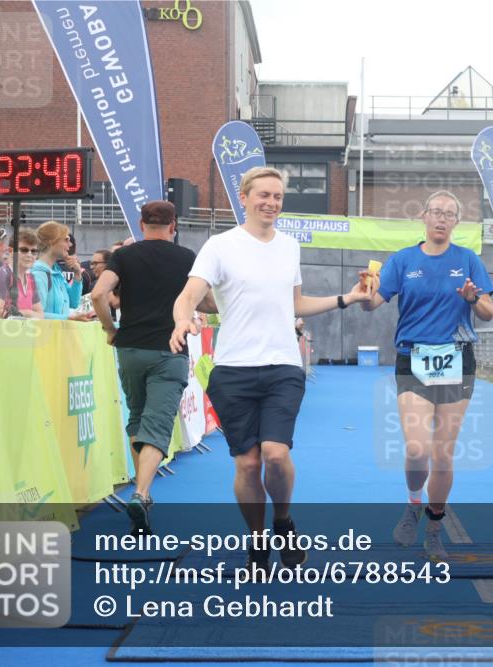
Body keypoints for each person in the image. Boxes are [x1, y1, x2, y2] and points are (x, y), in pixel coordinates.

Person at [170, 166, 371, 569]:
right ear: (244, 198)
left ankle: (282, 521)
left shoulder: (288, 247)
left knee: (276, 454)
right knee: (247, 463)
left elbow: (295, 305)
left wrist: (345, 298)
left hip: (282, 365)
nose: (272, 203)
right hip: (233, 369)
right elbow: (188, 295)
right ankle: (257, 540)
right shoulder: (219, 246)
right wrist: (181, 320)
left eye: (278, 197)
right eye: (263, 195)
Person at [361, 191, 493, 561]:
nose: (441, 219)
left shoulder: (468, 260)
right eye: (435, 212)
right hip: (413, 357)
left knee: (443, 454)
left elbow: (488, 311)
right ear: (423, 216)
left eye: (449, 214)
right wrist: (363, 292)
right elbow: (374, 302)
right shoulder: (403, 260)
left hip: (457, 358)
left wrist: (473, 298)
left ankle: (434, 527)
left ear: (456, 221)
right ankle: (413, 502)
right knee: (418, 449)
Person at [92, 201, 209, 535]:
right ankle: (141, 494)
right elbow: (209, 302)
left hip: (130, 347)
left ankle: (140, 490)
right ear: (174, 226)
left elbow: (99, 293)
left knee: (137, 416)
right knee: (157, 424)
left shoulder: (125, 256)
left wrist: (109, 329)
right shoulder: (188, 258)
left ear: (141, 224)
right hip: (170, 350)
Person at [32, 221, 95, 321]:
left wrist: (77, 275)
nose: (70, 244)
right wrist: (68, 318)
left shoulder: (55, 271)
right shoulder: (39, 274)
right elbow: (35, 315)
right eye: (66, 239)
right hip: (46, 335)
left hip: (56, 334)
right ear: (52, 242)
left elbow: (73, 303)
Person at [0, 228, 44, 319]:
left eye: (34, 251)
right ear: (11, 251)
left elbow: (40, 315)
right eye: (24, 250)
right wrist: (28, 314)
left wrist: (23, 313)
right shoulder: (2, 275)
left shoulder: (30, 278)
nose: (30, 255)